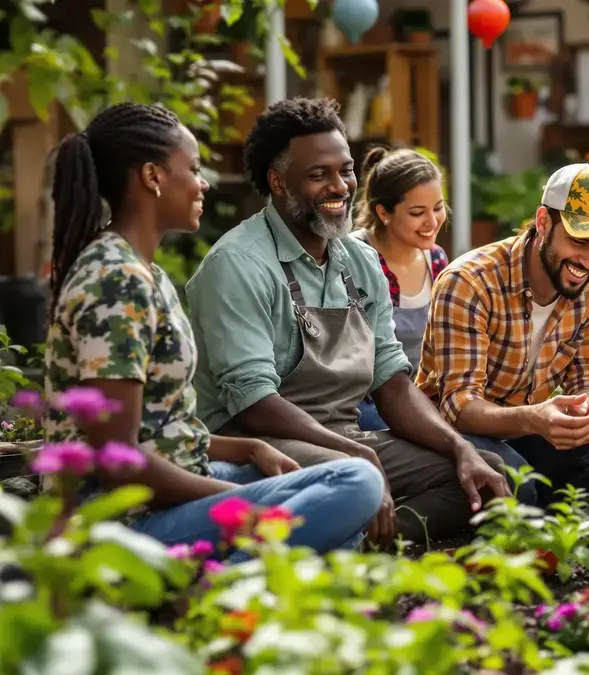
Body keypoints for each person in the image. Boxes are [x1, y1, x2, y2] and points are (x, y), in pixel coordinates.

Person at [42, 102, 381, 558]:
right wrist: (229, 505)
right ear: (152, 177)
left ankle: (238, 574)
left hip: (174, 485)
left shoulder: (145, 273)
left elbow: (161, 429)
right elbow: (118, 462)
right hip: (120, 520)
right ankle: (213, 592)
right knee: (351, 486)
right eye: (194, 168)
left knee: (340, 492)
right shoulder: (115, 281)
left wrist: (249, 450)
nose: (204, 183)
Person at [184, 97, 509, 549]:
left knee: (489, 474)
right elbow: (253, 401)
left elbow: (392, 381)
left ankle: (363, 538)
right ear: (278, 183)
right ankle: (349, 532)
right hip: (258, 441)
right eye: (319, 175)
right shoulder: (238, 265)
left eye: (346, 170)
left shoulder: (358, 260)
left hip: (347, 438)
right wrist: (355, 453)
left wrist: (460, 448)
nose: (340, 187)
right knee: (355, 479)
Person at [415, 162, 589, 507]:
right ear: (542, 223)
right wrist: (533, 419)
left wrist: (588, 411)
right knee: (513, 480)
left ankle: (530, 506)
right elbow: (458, 407)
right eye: (579, 241)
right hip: (459, 437)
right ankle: (525, 502)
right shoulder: (469, 282)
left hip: (531, 430)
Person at [348, 146, 450, 431]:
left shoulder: (437, 259)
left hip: (423, 399)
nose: (432, 222)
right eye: (418, 212)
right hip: (367, 404)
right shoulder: (355, 256)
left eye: (438, 208)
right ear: (383, 212)